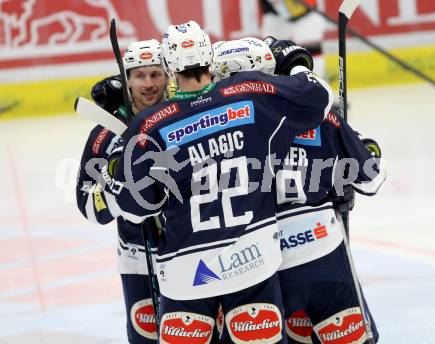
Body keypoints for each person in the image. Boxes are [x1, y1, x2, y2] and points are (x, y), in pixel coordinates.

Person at [108, 21, 333, 343]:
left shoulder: (150, 125)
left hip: (185, 271)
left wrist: (117, 167)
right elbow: (319, 97)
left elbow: (134, 209)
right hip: (252, 258)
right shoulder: (251, 94)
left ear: (169, 68)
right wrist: (294, 61)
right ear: (211, 58)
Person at [213, 36, 386, 344]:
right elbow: (370, 178)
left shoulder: (215, 130)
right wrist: (360, 152)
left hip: (257, 265)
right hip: (323, 254)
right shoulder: (321, 115)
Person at [76, 39, 168, 343]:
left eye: (156, 74)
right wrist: (118, 187)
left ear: (169, 75)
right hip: (137, 259)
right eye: (139, 76)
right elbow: (87, 203)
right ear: (125, 81)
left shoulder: (182, 115)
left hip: (186, 253)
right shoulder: (105, 132)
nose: (149, 84)